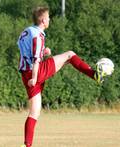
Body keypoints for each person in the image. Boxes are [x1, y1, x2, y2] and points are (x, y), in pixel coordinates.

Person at [17, 7, 106, 147]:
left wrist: (43, 52)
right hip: (35, 71)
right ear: (43, 20)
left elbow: (26, 50)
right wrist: (35, 77)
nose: (50, 19)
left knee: (35, 111)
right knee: (70, 55)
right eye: (48, 17)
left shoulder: (27, 31)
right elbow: (35, 60)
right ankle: (94, 75)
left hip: (25, 73)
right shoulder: (38, 35)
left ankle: (26, 145)